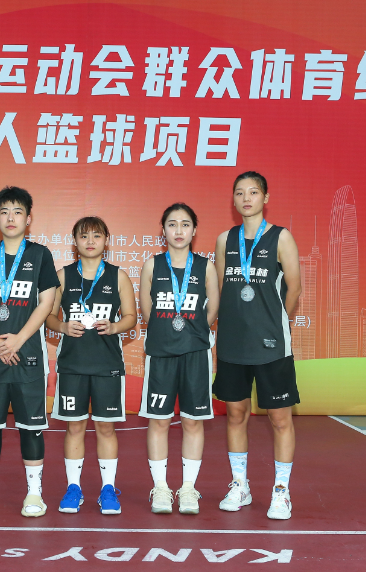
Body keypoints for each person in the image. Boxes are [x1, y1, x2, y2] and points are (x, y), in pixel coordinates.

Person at [0, 186, 59, 517]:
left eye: (18, 212)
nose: (10, 218)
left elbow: (46, 302)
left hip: (27, 355)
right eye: (4, 211)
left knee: (31, 427)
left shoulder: (41, 255)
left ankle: (34, 494)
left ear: (28, 219)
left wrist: (17, 340)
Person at [213, 171, 301, 520]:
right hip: (232, 344)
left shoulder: (281, 237)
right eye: (239, 192)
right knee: (236, 415)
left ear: (265, 198)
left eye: (253, 192)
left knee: (280, 419)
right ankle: (240, 485)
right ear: (233, 200)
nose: (246, 198)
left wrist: (274, 323)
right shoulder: (225, 240)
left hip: (270, 345)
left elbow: (294, 288)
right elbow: (222, 290)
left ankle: (281, 491)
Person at [46, 217, 137, 515]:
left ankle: (108, 489)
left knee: (106, 428)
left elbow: (131, 317)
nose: (90, 241)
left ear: (106, 240)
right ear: (74, 241)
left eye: (96, 236)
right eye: (83, 236)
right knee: (74, 427)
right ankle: (73, 487)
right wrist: (62, 325)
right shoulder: (63, 275)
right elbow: (48, 316)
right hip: (72, 365)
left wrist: (114, 327)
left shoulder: (118, 276)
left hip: (107, 365)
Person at [139, 203, 219, 514]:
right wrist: (167, 332)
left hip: (195, 353)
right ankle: (160, 487)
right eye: (172, 224)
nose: (179, 230)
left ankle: (188, 489)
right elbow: (147, 311)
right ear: (163, 230)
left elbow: (212, 310)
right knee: (159, 420)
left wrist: (193, 332)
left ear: (194, 230)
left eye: (185, 224)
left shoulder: (205, 267)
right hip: (161, 354)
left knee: (192, 421)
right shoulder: (152, 265)